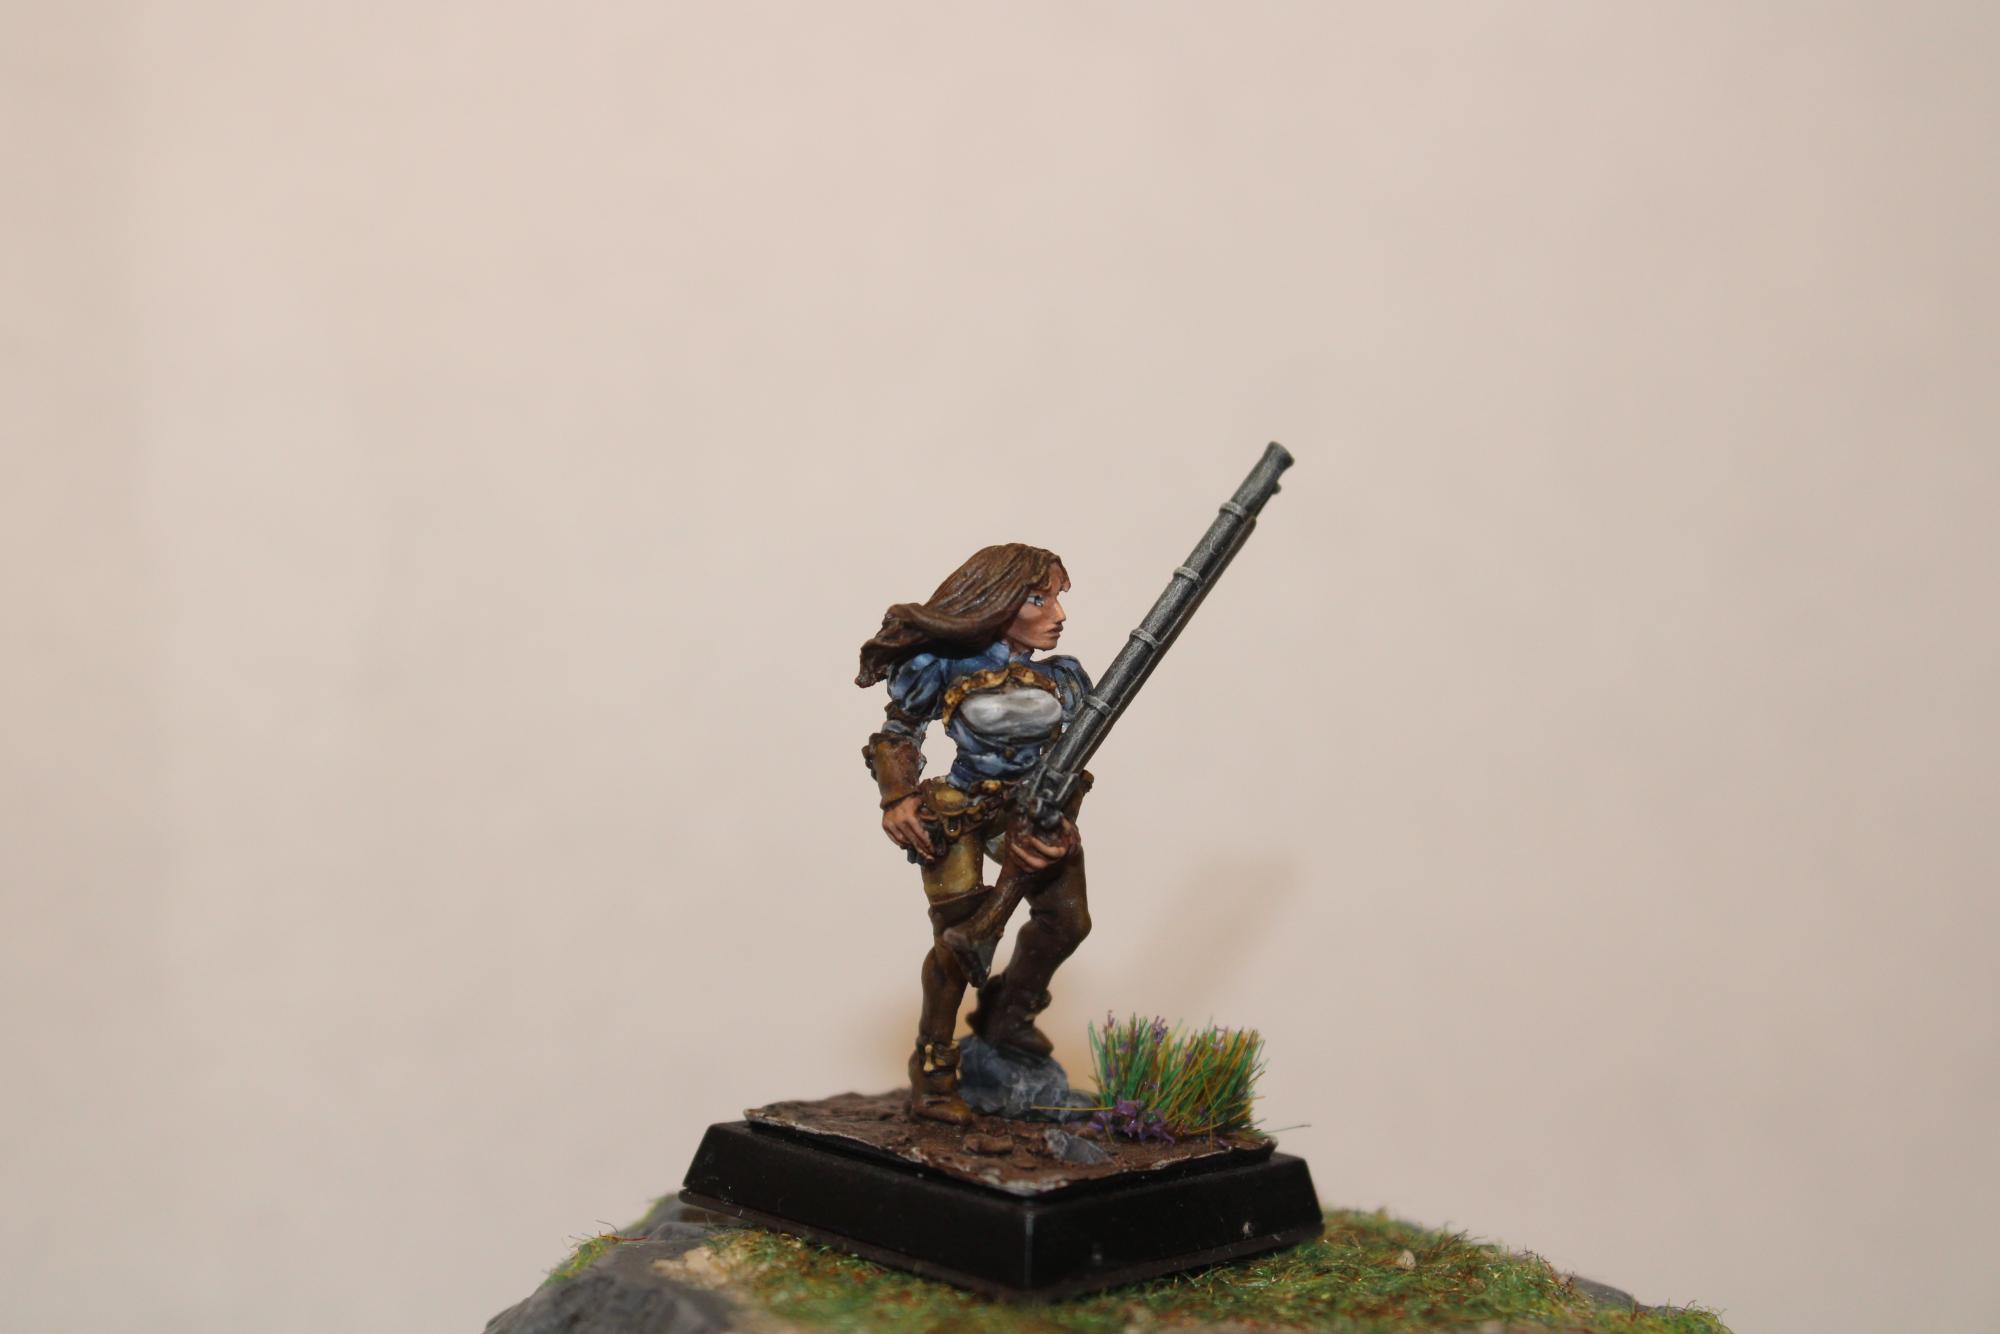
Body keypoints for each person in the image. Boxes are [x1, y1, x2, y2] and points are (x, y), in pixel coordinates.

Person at [857, 543, 1093, 1125]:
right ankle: (934, 1071)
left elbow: (1072, 762)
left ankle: (1007, 1015)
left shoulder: (1063, 677)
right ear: (998, 601)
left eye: (1057, 598)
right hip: (959, 810)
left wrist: (1060, 823)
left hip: (1034, 812)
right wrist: (898, 797)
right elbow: (898, 732)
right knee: (960, 943)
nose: (1058, 614)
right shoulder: (940, 665)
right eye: (1038, 599)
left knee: (1068, 922)